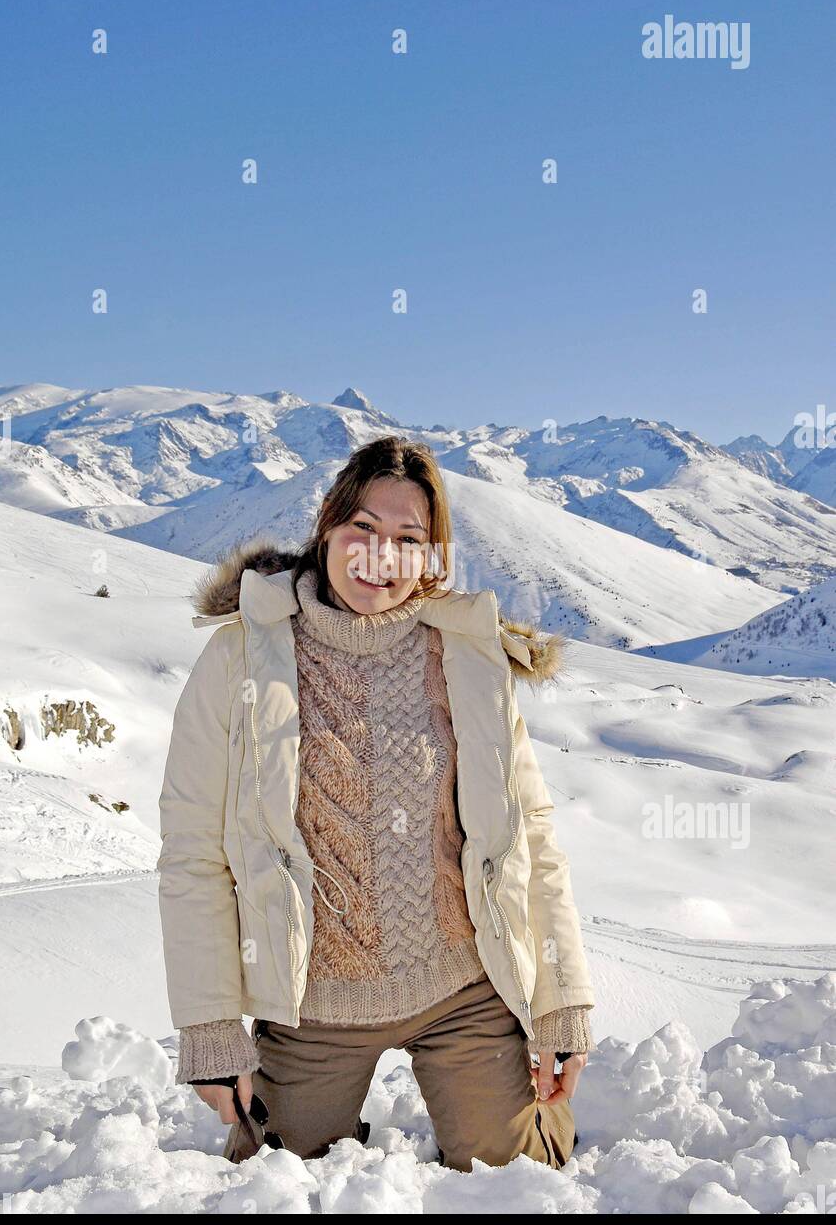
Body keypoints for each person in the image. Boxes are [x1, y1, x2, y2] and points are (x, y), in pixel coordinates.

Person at [157, 435, 596, 1173]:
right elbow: (193, 850)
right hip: (313, 1008)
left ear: (430, 557)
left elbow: (532, 839)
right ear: (326, 526)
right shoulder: (240, 655)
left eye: (407, 539)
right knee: (278, 1179)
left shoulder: (467, 654)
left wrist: (561, 1002)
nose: (379, 556)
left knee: (515, 1181)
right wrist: (208, 1027)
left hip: (466, 991)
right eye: (363, 528)